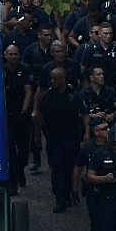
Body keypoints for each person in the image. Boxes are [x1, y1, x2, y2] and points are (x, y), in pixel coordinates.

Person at [36, 67, 82, 213]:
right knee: (57, 168)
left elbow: (83, 114)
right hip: (54, 137)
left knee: (69, 167)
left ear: (63, 79)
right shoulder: (47, 96)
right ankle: (59, 198)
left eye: (55, 79)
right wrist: (37, 135)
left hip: (71, 136)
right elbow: (40, 115)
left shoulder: (73, 95)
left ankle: (68, 193)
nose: (52, 81)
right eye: (51, 78)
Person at [3, 44, 33, 194]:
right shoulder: (1, 71)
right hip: (6, 116)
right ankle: (13, 183)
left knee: (23, 153)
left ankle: (21, 169)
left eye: (15, 54)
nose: (13, 57)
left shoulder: (25, 69)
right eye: (10, 54)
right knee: (11, 153)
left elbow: (28, 92)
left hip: (22, 116)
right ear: (5, 55)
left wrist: (24, 112)